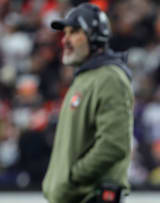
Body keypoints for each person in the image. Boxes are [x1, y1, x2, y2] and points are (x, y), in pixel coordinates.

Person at [42, 3, 133, 203]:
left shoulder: (109, 78)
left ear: (95, 36)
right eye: (64, 33)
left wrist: (71, 177)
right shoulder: (85, 77)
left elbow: (113, 144)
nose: (65, 40)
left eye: (74, 32)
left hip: (91, 197)